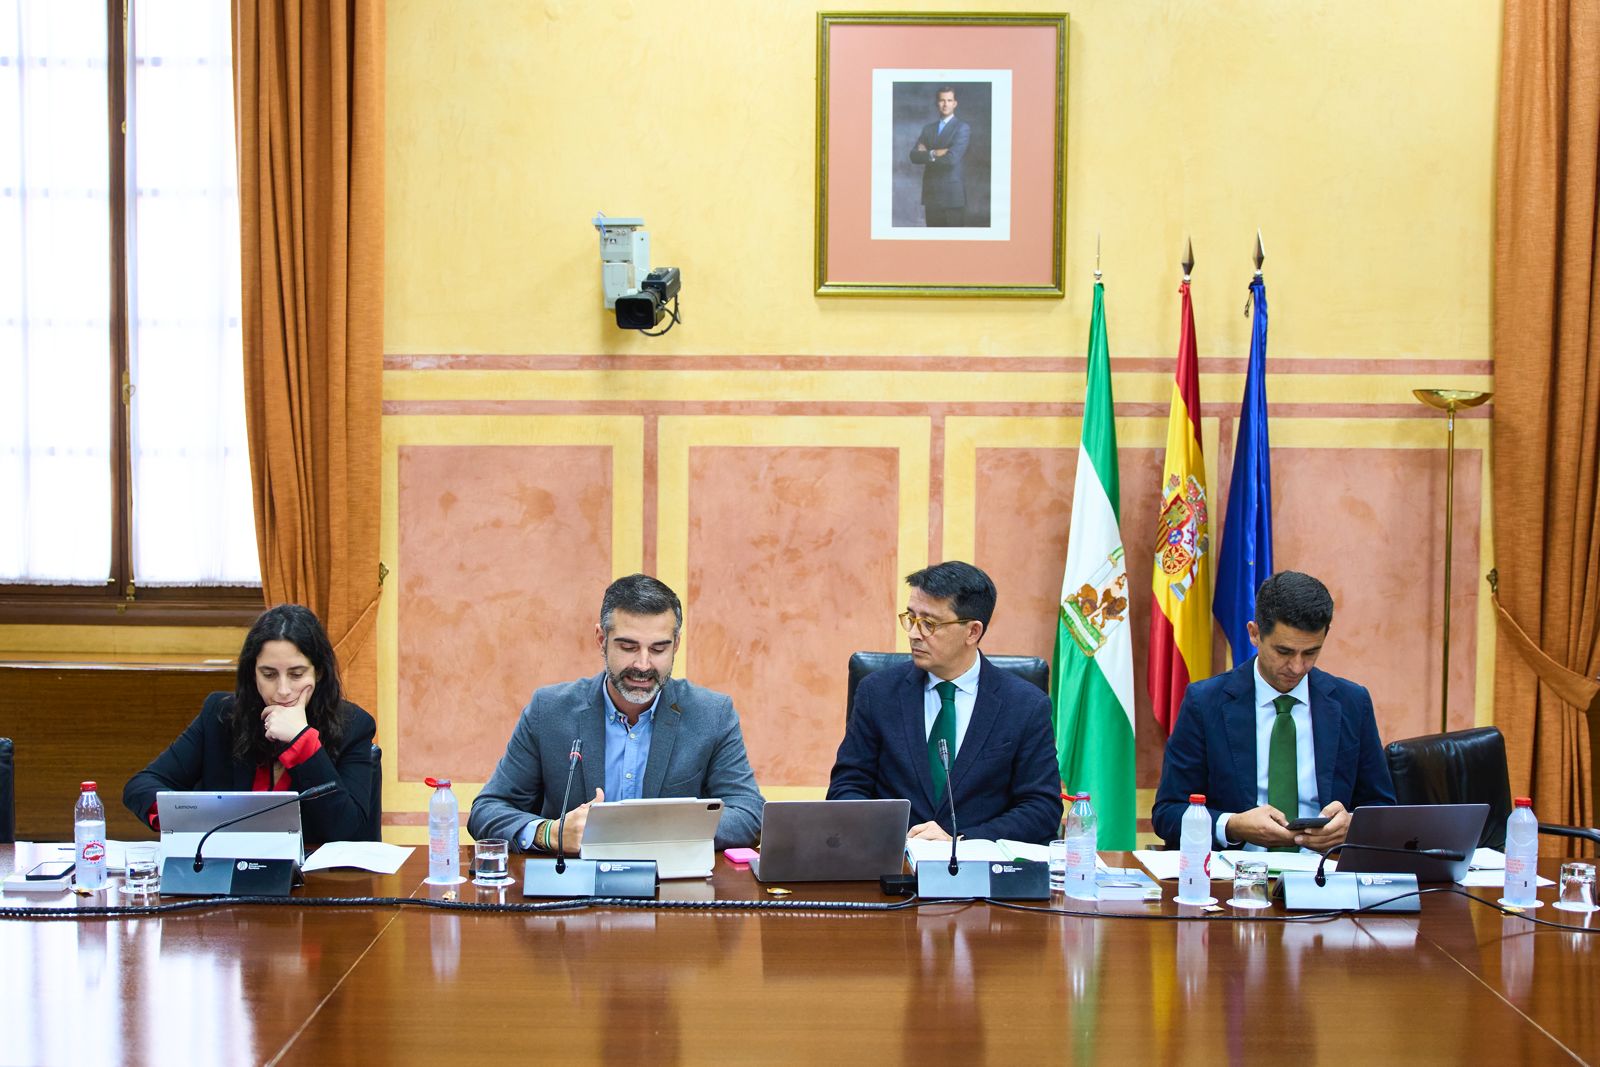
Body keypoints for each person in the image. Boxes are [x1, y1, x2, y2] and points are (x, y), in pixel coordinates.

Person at [468, 573, 763, 852]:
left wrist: (644, 830)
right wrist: (550, 833)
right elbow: (487, 810)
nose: (643, 665)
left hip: (672, 889)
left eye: (659, 649)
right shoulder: (550, 710)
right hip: (571, 890)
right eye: (628, 646)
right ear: (601, 639)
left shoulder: (712, 714)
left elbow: (749, 815)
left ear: (676, 645)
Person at [1151, 571, 1396, 851]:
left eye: (1310, 653)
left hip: (1324, 873)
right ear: (1254, 633)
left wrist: (1352, 824)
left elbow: (1383, 809)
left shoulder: (1352, 702)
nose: (1297, 667)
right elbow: (1167, 814)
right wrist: (1232, 824)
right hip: (1236, 878)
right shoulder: (1205, 703)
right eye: (1284, 651)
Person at [827, 561, 1063, 844]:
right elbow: (847, 788)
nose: (914, 633)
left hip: (981, 874)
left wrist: (961, 839)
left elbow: (1041, 809)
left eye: (929, 623)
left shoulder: (1024, 705)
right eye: (911, 618)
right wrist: (892, 839)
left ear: (972, 631)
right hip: (892, 869)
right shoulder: (877, 693)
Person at [123, 603, 376, 844]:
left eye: (297, 674)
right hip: (228, 875)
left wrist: (303, 742)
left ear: (318, 673)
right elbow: (141, 786)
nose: (283, 690)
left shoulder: (353, 726)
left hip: (314, 882)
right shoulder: (221, 716)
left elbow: (349, 831)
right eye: (268, 675)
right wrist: (189, 817)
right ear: (252, 673)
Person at [909, 86, 970, 227]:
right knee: (932, 244)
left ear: (955, 103)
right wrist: (935, 152)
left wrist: (926, 153)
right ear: (937, 103)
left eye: (949, 100)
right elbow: (913, 156)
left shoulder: (962, 128)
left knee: (953, 244)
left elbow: (951, 159)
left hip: (952, 197)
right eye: (942, 100)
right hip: (931, 195)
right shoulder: (928, 128)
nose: (945, 104)